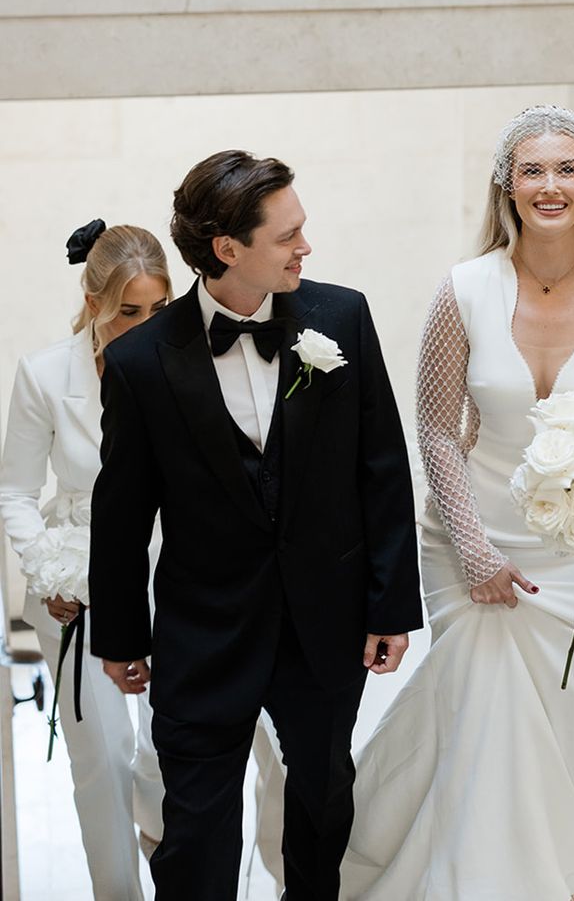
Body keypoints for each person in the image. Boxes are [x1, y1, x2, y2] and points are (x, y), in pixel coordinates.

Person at [341, 105, 574, 900]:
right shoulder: (463, 291)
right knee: (487, 738)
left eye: (566, 169)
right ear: (506, 187)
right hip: (470, 543)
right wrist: (475, 547)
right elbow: (438, 431)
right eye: (532, 170)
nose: (549, 186)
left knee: (573, 739)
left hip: (573, 557)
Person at [86, 150, 423, 901]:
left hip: (323, 623)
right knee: (196, 832)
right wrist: (119, 635)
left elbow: (382, 466)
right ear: (227, 248)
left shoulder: (343, 317)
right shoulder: (141, 362)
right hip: (203, 633)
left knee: (323, 800)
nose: (307, 247)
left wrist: (391, 604)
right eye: (288, 236)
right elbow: (122, 510)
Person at [0, 221, 170, 900]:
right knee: (102, 760)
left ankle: (172, 863)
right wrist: (48, 571)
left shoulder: (182, 364)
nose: (145, 325)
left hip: (175, 576)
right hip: (78, 583)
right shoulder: (44, 374)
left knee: (166, 755)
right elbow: (14, 489)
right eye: (130, 311)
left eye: (159, 310)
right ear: (93, 298)